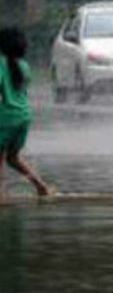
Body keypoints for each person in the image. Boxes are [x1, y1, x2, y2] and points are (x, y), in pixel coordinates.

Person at [0, 27, 52, 199]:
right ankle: (41, 186)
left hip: (5, 117)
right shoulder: (24, 66)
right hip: (23, 116)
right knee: (12, 158)